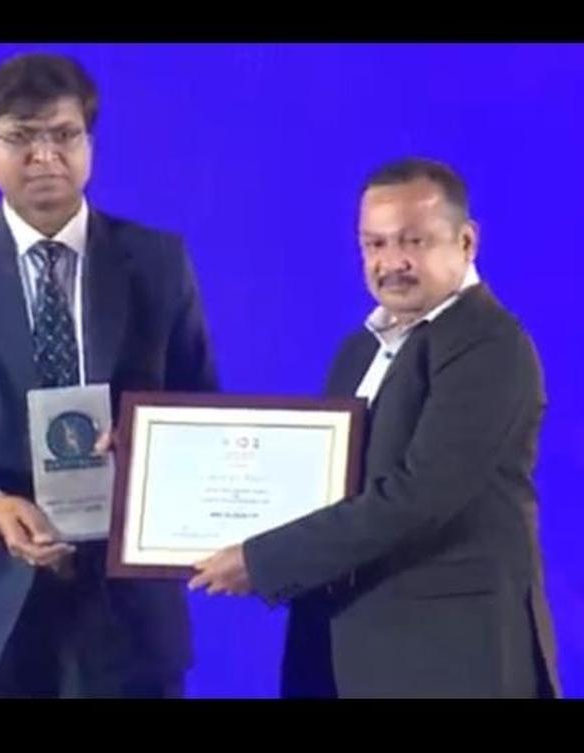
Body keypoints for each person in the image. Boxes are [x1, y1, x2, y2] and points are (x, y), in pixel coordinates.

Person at [0, 52, 218, 698]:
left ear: (90, 142)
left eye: (63, 135)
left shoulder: (157, 261)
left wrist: (151, 445)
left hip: (125, 608)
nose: (44, 156)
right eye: (20, 137)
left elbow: (200, 406)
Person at [189, 157, 560, 699]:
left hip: (449, 659)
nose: (392, 263)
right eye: (374, 244)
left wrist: (263, 559)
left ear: (466, 241)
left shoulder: (488, 344)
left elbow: (419, 496)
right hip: (347, 644)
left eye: (414, 241)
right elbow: (324, 481)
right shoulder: (360, 348)